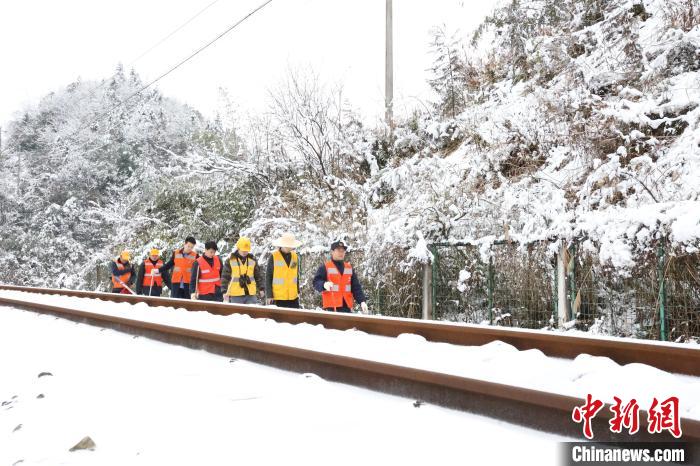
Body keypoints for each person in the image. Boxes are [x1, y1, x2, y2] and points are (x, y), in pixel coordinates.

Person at [313, 240, 369, 314]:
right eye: (338, 250)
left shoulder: (349, 268)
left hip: (347, 307)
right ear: (332, 252)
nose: (341, 253)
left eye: (343, 251)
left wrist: (362, 301)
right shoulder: (325, 267)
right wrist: (324, 284)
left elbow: (356, 287)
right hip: (331, 308)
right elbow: (316, 282)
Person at [221, 236, 265, 304]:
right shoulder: (230, 260)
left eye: (246, 250)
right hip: (236, 294)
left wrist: (261, 288)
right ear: (238, 248)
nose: (245, 252)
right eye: (243, 250)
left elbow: (258, 275)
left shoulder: (252, 259)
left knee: (252, 313)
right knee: (237, 314)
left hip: (251, 294)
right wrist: (224, 291)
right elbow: (225, 277)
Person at [265, 232, 302, 308]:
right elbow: (268, 277)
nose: (290, 248)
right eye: (288, 246)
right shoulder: (274, 257)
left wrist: (298, 290)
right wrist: (269, 295)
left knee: (295, 319)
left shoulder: (295, 257)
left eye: (291, 246)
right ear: (282, 245)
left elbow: (296, 275)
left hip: (293, 297)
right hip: (278, 297)